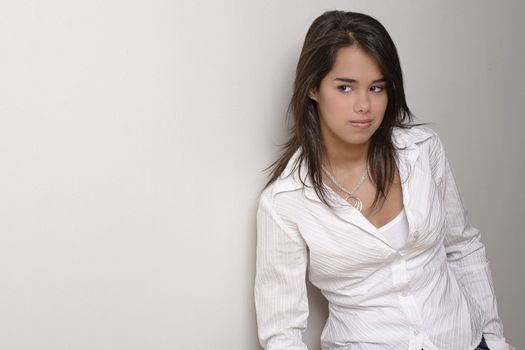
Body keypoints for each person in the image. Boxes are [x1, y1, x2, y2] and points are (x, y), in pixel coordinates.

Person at [254, 10, 514, 350]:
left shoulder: (422, 152)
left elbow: (463, 247)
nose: (364, 105)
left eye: (376, 87)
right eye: (345, 87)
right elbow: (281, 332)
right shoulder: (285, 203)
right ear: (313, 88)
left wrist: (493, 338)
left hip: (464, 340)